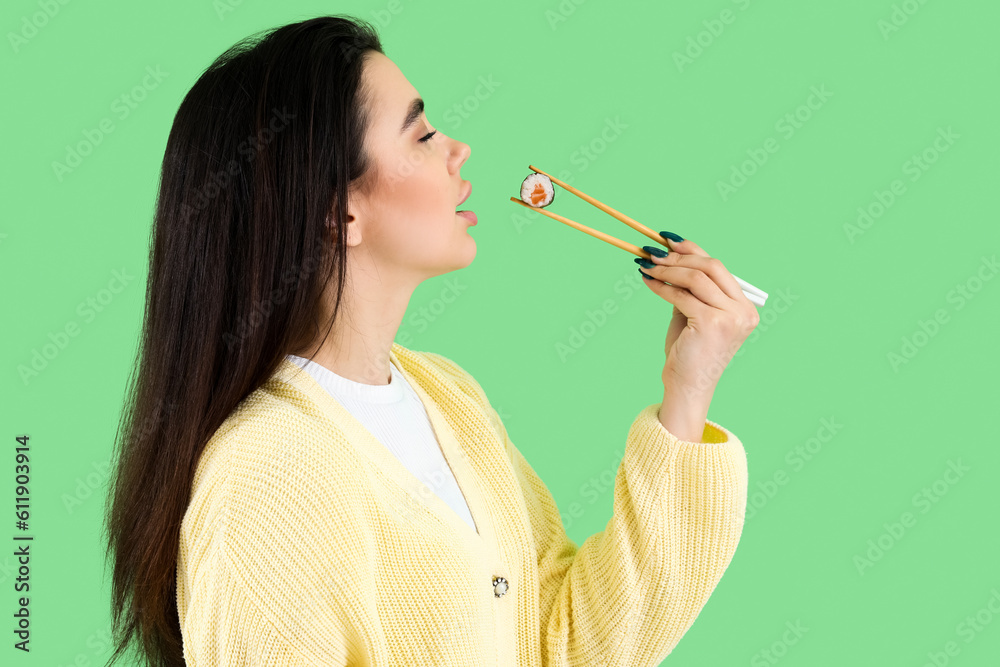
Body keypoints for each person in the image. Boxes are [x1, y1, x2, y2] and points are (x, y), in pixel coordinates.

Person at [103, 14, 760, 667]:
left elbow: (566, 643)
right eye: (421, 134)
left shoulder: (447, 396)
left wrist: (688, 388)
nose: (458, 149)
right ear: (341, 212)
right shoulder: (260, 482)